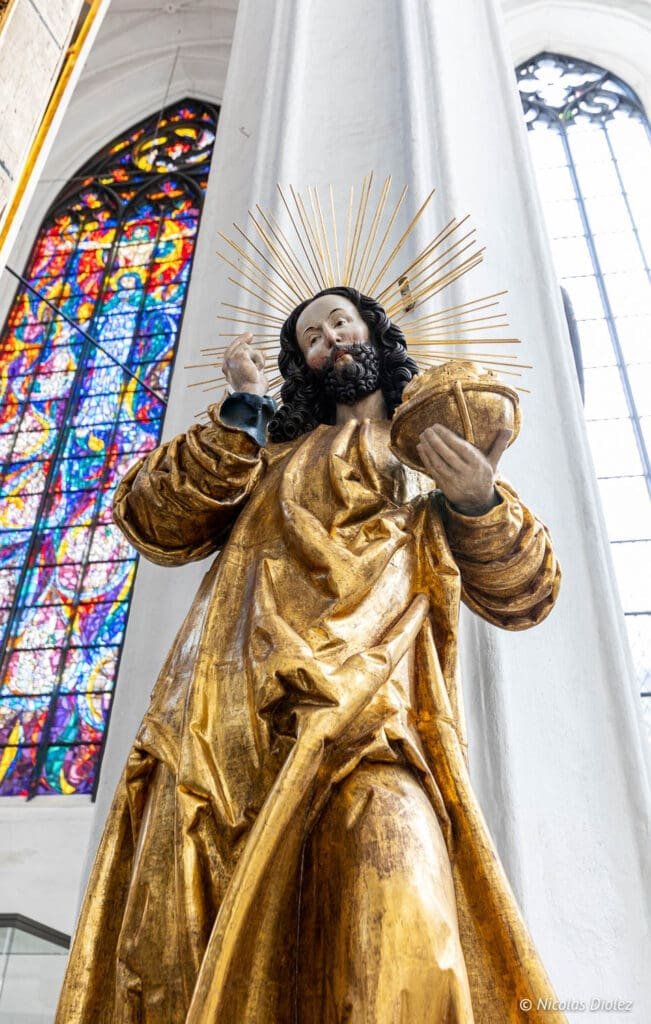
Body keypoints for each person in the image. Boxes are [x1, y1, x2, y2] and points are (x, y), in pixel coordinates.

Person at [56, 287, 565, 1023]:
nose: (329, 340)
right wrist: (241, 409)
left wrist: (478, 504)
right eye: (310, 338)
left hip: (379, 722)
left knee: (403, 909)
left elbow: (526, 595)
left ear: (376, 335)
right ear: (300, 365)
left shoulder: (430, 465)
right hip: (231, 724)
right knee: (183, 936)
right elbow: (154, 520)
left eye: (340, 323)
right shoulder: (265, 456)